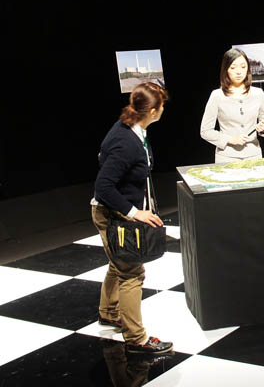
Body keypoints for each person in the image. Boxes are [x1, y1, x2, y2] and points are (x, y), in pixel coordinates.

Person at [91, 82, 173, 355]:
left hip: (115, 211)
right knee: (131, 273)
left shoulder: (132, 129)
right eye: (162, 106)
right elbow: (103, 187)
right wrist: (135, 212)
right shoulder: (126, 141)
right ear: (152, 111)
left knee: (118, 264)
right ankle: (136, 339)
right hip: (111, 213)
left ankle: (109, 313)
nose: (163, 110)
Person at [200, 48, 264, 163]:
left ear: (248, 69)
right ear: (226, 70)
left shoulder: (258, 93)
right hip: (226, 157)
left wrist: (263, 129)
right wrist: (230, 139)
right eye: (233, 67)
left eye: (243, 67)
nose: (239, 72)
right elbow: (205, 131)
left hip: (254, 156)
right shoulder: (217, 95)